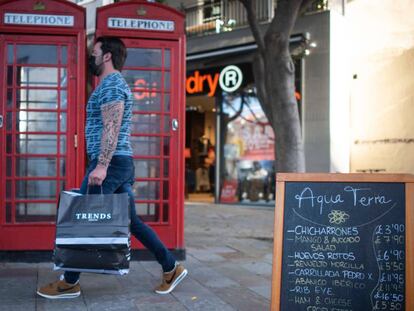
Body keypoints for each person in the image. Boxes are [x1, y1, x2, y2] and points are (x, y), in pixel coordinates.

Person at [37, 36, 187, 299]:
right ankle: (170, 267)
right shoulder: (110, 84)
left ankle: (70, 281)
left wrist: (102, 165)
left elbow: (112, 126)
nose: (91, 57)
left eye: (94, 52)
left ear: (106, 56)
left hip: (111, 162)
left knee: (80, 218)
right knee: (131, 222)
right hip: (119, 161)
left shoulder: (112, 85)